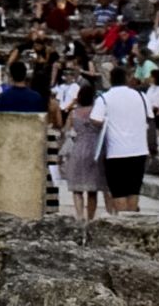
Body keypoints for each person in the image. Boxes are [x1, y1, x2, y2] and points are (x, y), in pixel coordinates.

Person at [89, 65, 152, 215]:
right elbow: (150, 117)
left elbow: (95, 120)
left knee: (118, 191)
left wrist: (107, 121)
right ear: (127, 79)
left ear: (111, 80)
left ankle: (122, 221)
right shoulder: (141, 96)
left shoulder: (104, 98)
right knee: (134, 189)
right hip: (139, 149)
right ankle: (132, 221)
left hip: (116, 152)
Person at [57, 80, 105, 222]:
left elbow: (66, 132)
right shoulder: (96, 112)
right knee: (92, 189)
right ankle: (90, 218)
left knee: (77, 188)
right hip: (94, 149)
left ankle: (79, 216)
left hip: (78, 148)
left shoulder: (73, 113)